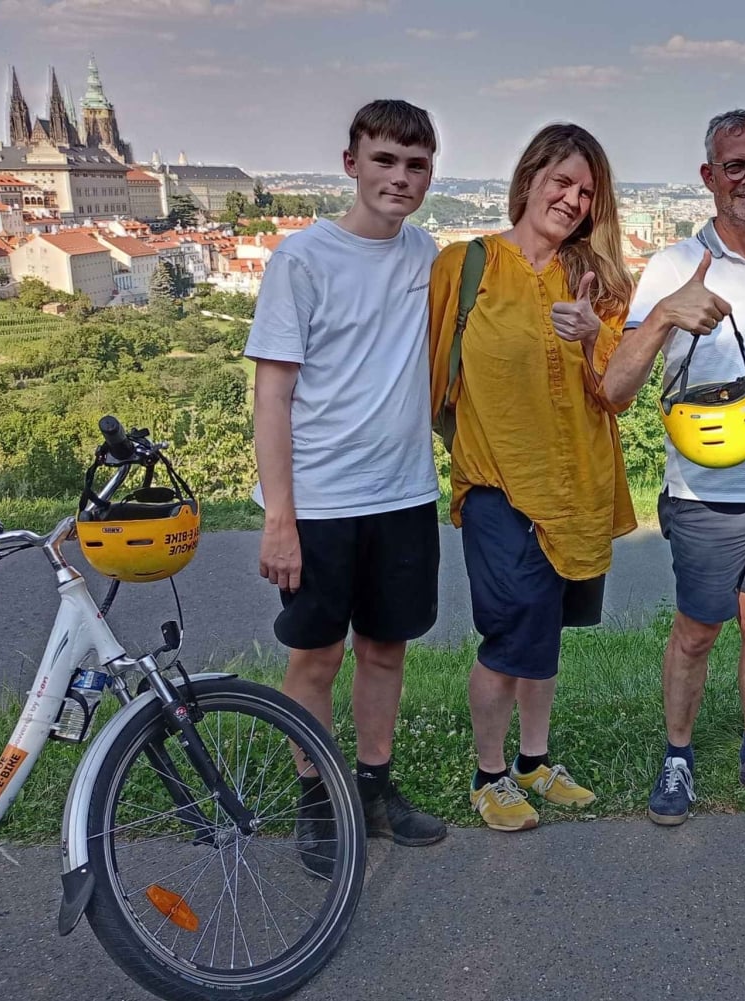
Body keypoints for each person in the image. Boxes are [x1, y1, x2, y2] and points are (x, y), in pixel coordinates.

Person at [249, 99, 448, 875]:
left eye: (416, 164)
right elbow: (272, 395)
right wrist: (279, 519)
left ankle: (373, 789)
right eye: (385, 161)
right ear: (351, 163)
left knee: (386, 650)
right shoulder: (302, 259)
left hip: (403, 494)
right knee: (315, 659)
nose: (400, 178)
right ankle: (315, 799)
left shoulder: (428, 254)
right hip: (322, 501)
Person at [601, 108, 745, 825]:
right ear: (709, 177)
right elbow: (616, 389)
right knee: (698, 627)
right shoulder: (670, 264)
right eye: (736, 166)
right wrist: (663, 314)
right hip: (702, 492)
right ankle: (678, 757)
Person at [428, 123, 637, 832]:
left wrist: (594, 336)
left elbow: (617, 393)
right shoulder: (467, 264)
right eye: (562, 182)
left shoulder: (598, 281)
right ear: (529, 180)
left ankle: (534, 762)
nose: (573, 199)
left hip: (575, 487)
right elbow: (430, 375)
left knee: (543, 634)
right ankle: (489, 776)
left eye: (586, 191)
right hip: (496, 486)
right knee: (509, 635)